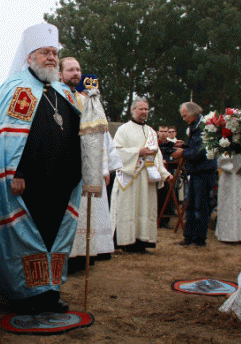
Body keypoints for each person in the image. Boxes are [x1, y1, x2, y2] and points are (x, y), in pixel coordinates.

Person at [0, 23, 82, 314]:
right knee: (29, 237)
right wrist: (16, 172)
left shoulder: (64, 93)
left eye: (54, 53)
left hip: (61, 181)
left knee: (56, 235)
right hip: (29, 182)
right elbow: (8, 139)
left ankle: (51, 291)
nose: (51, 58)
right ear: (30, 57)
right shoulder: (15, 88)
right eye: (45, 53)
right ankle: (26, 295)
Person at [63, 63, 122, 271]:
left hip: (93, 170)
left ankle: (89, 253)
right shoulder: (69, 102)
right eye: (87, 91)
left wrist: (105, 169)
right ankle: (72, 256)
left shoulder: (96, 108)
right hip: (74, 167)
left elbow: (103, 141)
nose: (89, 96)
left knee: (92, 215)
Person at [110, 98, 173, 253]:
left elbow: (157, 156)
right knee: (128, 209)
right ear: (132, 110)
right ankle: (126, 242)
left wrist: (165, 174)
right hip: (129, 177)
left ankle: (142, 241)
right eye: (141, 109)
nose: (144, 112)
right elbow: (117, 151)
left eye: (146, 109)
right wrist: (138, 151)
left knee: (145, 209)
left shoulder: (151, 131)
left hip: (147, 179)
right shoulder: (123, 130)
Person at [171, 101, 217, 247]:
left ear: (193, 113)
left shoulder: (206, 127)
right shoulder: (194, 127)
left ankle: (199, 239)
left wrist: (184, 152)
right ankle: (188, 237)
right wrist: (185, 145)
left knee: (200, 207)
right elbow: (196, 146)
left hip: (204, 172)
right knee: (190, 206)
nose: (184, 119)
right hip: (196, 172)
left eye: (185, 116)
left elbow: (202, 151)